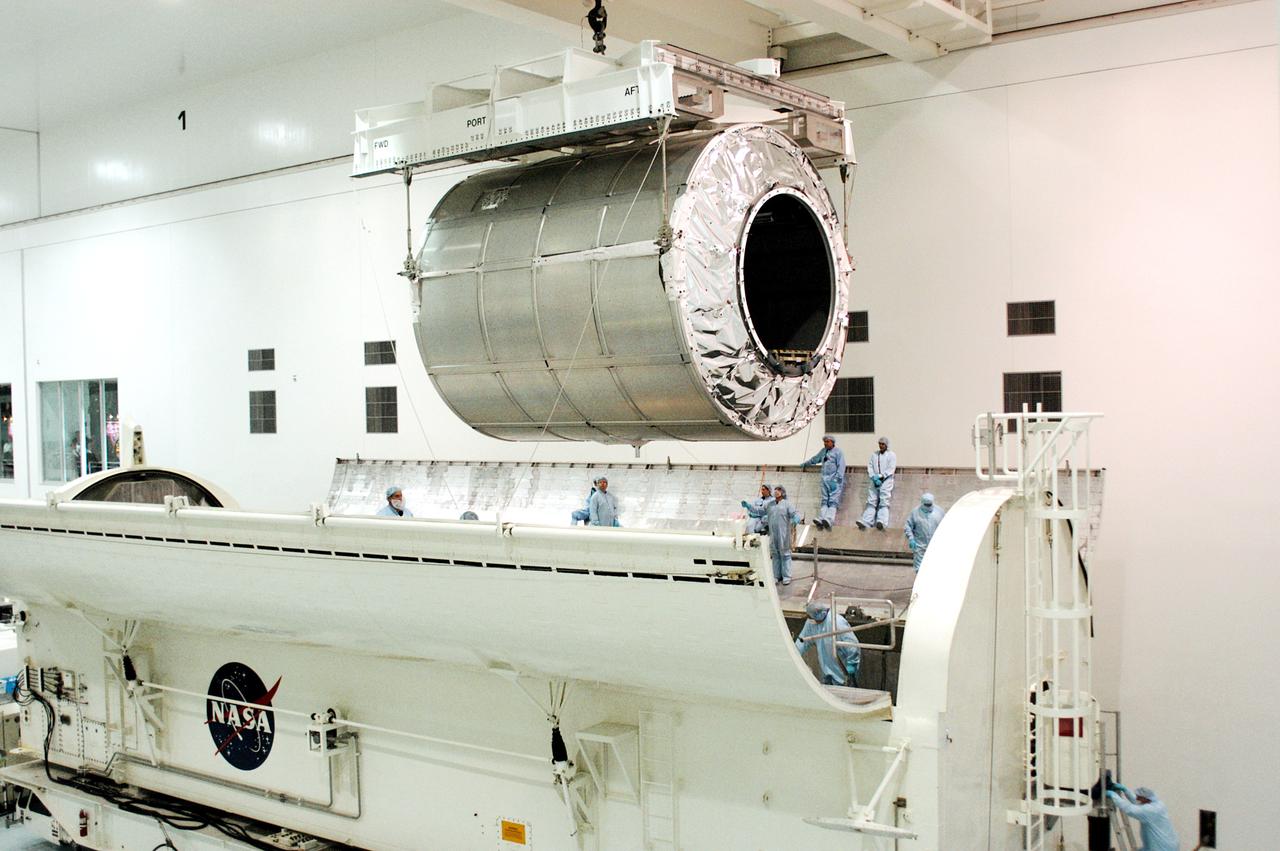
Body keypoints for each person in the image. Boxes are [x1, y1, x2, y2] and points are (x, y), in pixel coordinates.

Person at [794, 602, 861, 687]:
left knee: (845, 691)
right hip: (826, 669)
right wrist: (793, 656)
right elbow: (802, 641)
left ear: (819, 615)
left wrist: (852, 665)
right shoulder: (812, 622)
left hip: (843, 670)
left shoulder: (837, 623)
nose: (809, 619)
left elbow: (852, 646)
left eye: (810, 617)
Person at [1106, 784, 1179, 851]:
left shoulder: (1150, 810)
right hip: (1166, 843)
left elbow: (1129, 809)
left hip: (1161, 847)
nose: (1137, 798)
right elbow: (1138, 803)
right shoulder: (1156, 803)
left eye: (1139, 797)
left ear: (1145, 798)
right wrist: (1125, 790)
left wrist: (1113, 795)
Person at [801, 435, 845, 529]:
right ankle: (822, 518)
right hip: (825, 480)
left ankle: (829, 519)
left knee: (833, 501)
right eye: (824, 442)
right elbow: (815, 459)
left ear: (832, 442)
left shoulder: (838, 452)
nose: (825, 443)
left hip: (834, 482)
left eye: (827, 442)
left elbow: (841, 466)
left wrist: (837, 479)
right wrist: (806, 463)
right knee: (824, 501)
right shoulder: (823, 451)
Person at [857, 436, 897, 530]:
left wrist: (881, 476)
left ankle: (882, 522)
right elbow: (870, 466)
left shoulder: (891, 455)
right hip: (874, 481)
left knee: (884, 501)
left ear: (886, 445)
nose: (881, 446)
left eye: (883, 444)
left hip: (886, 481)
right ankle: (867, 521)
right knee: (871, 501)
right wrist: (873, 477)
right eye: (880, 444)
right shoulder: (874, 455)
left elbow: (891, 469)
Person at [765, 485, 799, 584]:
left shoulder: (787, 504)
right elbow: (760, 510)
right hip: (773, 534)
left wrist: (796, 518)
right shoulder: (769, 504)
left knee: (785, 555)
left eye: (779, 490)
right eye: (775, 490)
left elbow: (795, 513)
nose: (776, 491)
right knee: (775, 555)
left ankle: (786, 576)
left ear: (783, 492)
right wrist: (750, 507)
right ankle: (776, 576)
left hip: (784, 534)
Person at [904, 492, 945, 572]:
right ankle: (919, 583)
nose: (928, 507)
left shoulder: (939, 512)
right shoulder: (915, 513)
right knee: (919, 568)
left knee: (934, 566)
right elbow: (908, 526)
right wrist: (911, 539)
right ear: (922, 503)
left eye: (929, 505)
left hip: (936, 544)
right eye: (926, 505)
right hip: (920, 545)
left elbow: (946, 526)